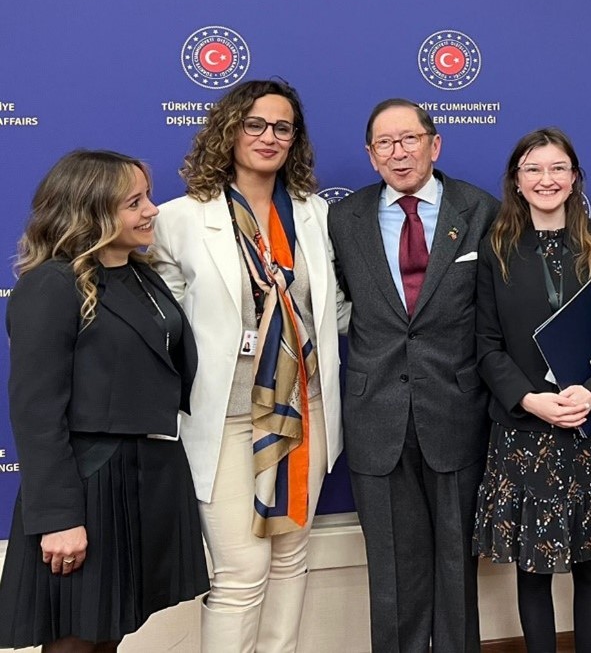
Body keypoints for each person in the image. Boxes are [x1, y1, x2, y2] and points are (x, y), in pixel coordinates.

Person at [151, 79, 345, 652]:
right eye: (254, 124)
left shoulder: (315, 213)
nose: (268, 137)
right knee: (240, 575)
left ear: (295, 139)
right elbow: (164, 325)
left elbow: (331, 308)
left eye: (281, 127)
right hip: (228, 416)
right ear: (229, 129)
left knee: (290, 561)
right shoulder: (179, 218)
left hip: (302, 409)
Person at [0, 151, 208, 651]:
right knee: (75, 639)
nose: (152, 210)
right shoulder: (50, 286)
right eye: (133, 202)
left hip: (143, 478)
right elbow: (36, 412)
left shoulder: (140, 274)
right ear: (91, 212)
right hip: (87, 486)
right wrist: (59, 519)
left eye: (148, 197)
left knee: (108, 632)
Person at [328, 98, 499, 653]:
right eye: (385, 143)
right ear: (371, 155)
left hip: (455, 412)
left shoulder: (480, 210)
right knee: (392, 577)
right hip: (376, 414)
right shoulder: (344, 218)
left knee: (456, 568)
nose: (399, 153)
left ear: (435, 143)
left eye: (409, 139)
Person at [472, 128, 591, 653]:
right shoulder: (496, 248)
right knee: (534, 565)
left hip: (590, 426)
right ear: (517, 182)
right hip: (525, 430)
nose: (546, 180)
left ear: (574, 179)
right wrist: (529, 399)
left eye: (557, 169)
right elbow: (485, 343)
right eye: (533, 170)